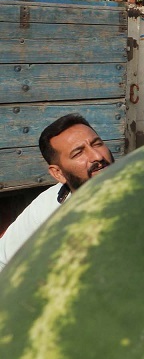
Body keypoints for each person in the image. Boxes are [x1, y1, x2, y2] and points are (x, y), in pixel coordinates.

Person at [0, 114, 115, 272]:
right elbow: (3, 260)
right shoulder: (46, 208)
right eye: (78, 153)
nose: (97, 156)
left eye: (97, 144)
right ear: (58, 173)